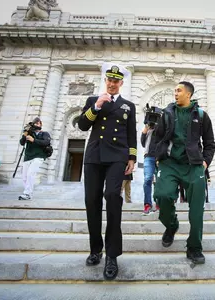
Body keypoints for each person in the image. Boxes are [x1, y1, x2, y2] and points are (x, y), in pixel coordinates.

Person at [78, 64, 137, 281]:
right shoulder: (94, 100)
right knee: (91, 201)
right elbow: (83, 125)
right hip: (94, 156)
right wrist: (96, 107)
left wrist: (132, 158)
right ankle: (96, 249)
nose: (112, 84)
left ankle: (112, 255)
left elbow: (131, 134)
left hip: (117, 157)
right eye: (109, 80)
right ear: (106, 81)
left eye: (116, 81)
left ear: (122, 83)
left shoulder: (128, 106)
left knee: (112, 197)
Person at [153, 81, 215, 264]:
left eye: (178, 90)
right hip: (170, 164)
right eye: (175, 90)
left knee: (197, 210)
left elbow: (210, 143)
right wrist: (158, 156)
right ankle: (171, 225)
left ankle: (194, 248)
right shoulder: (166, 114)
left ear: (188, 94)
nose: (175, 93)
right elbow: (158, 137)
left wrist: (205, 162)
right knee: (162, 196)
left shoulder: (202, 116)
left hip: (194, 166)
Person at [18, 117, 51, 200]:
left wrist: (34, 140)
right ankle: (28, 192)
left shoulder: (44, 133)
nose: (36, 125)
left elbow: (46, 142)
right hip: (28, 156)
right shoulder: (29, 133)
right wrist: (25, 133)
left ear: (41, 124)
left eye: (38, 123)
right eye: (35, 123)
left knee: (30, 173)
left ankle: (27, 193)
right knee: (25, 177)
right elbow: (22, 143)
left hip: (39, 156)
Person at [141, 123, 158, 215]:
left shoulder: (163, 128)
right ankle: (147, 204)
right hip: (148, 157)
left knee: (159, 181)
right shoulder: (149, 130)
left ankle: (159, 204)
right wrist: (146, 129)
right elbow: (143, 143)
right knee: (147, 179)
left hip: (160, 157)